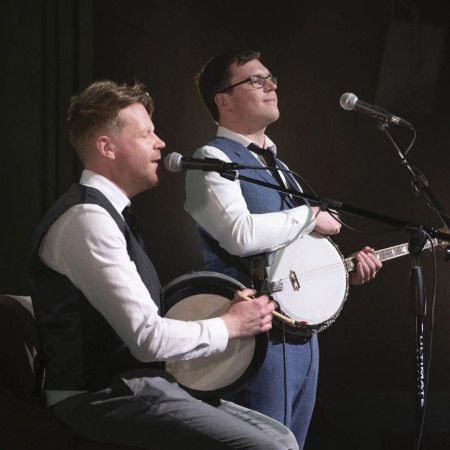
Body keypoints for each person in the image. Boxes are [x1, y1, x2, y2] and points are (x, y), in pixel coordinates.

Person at [29, 80, 300, 450]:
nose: (160, 143)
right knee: (271, 447)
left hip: (135, 386)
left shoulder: (110, 215)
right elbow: (147, 340)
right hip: (98, 396)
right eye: (146, 134)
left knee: (281, 436)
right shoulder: (87, 220)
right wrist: (230, 324)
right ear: (106, 148)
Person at [184, 49, 382, 448]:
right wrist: (309, 215)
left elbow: (296, 259)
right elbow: (239, 235)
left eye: (271, 77)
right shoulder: (212, 159)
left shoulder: (283, 170)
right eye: (255, 80)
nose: (271, 85)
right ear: (223, 99)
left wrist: (342, 275)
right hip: (254, 335)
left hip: (301, 336)